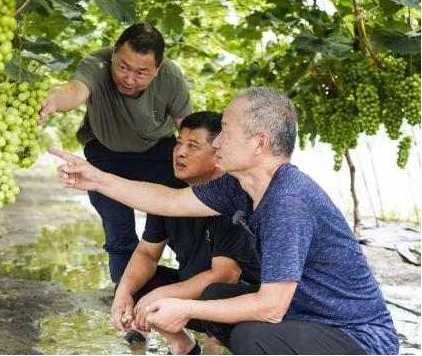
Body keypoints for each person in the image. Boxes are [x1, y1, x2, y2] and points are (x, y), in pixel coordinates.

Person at [49, 87, 399, 355]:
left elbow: (271, 307)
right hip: (307, 318)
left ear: (259, 143)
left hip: (358, 338)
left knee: (254, 333)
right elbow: (167, 200)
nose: (217, 142)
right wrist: (96, 178)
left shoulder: (288, 201)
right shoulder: (241, 187)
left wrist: (184, 306)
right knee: (218, 298)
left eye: (226, 132)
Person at [40, 23, 192, 283]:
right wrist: (53, 100)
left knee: (179, 227)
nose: (129, 79)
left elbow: (188, 132)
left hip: (158, 155)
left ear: (157, 70)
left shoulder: (172, 79)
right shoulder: (97, 65)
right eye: (123, 67)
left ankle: (189, 297)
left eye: (141, 72)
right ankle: (127, 309)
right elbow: (74, 91)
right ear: (112, 55)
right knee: (119, 236)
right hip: (106, 157)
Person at [112, 111, 260, 354]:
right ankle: (183, 345)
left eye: (193, 146)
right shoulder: (170, 191)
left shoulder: (235, 196)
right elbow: (147, 253)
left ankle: (218, 342)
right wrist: (124, 293)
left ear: (218, 155)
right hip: (191, 291)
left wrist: (162, 294)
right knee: (131, 285)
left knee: (215, 292)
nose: (180, 152)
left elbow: (224, 276)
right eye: (179, 143)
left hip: (238, 302)